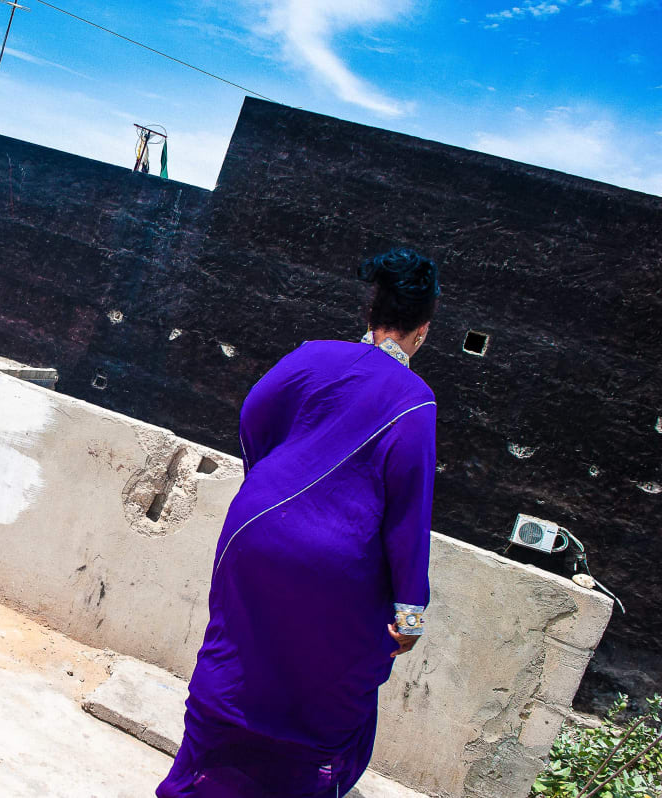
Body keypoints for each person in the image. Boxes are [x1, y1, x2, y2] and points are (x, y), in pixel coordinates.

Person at [158, 248, 441, 798]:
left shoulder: (311, 356)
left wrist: (274, 481)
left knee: (239, 646)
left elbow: (253, 413)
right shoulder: (415, 400)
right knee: (327, 684)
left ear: (370, 313)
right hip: (340, 563)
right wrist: (409, 612)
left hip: (255, 532)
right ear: (422, 332)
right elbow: (410, 507)